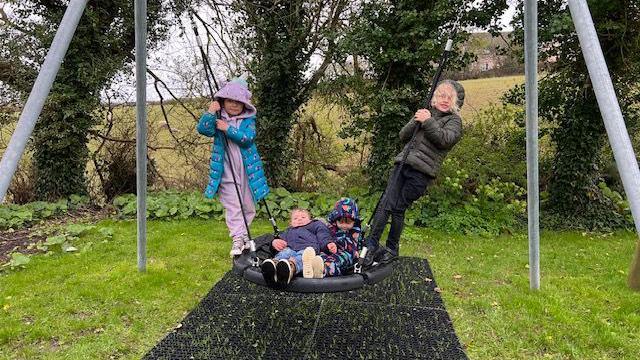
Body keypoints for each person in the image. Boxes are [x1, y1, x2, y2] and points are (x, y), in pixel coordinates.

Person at [364, 80, 465, 265]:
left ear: (455, 102)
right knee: (385, 203)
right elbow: (403, 135)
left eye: (449, 98)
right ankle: (370, 246)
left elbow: (444, 140)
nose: (444, 100)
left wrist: (428, 121)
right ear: (435, 98)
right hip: (402, 164)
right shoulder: (425, 113)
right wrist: (416, 119)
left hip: (422, 173)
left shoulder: (454, 121)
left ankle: (391, 248)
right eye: (441, 95)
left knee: (397, 208)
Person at [196, 78, 269, 257]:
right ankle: (237, 237)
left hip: (247, 172)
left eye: (238, 102)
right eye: (230, 101)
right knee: (233, 205)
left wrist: (227, 129)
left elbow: (247, 139)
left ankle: (244, 234)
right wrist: (210, 112)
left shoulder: (248, 121)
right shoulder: (218, 118)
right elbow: (203, 129)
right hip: (226, 170)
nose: (234, 105)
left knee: (248, 206)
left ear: (244, 104)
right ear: (223, 102)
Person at [260, 209, 336, 285]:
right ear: (291, 223)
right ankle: (274, 265)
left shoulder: (315, 225)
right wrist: (274, 243)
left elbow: (323, 234)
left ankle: (291, 268)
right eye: (295, 218)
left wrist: (328, 243)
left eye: (303, 217)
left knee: (302, 257)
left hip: (307, 249)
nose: (299, 219)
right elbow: (279, 241)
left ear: (310, 219)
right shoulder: (288, 231)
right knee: (284, 253)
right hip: (290, 249)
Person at [321, 198, 362, 277]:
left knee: (339, 259)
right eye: (341, 222)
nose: (344, 225)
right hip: (331, 252)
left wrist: (358, 251)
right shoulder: (331, 228)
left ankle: (327, 270)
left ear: (354, 221)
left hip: (348, 254)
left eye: (348, 222)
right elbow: (324, 237)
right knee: (321, 256)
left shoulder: (355, 231)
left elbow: (358, 244)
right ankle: (316, 266)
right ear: (336, 220)